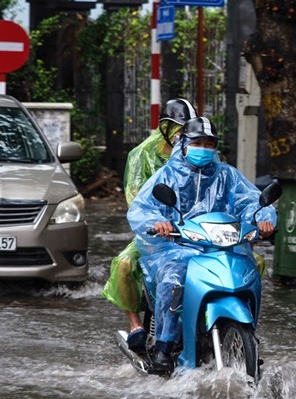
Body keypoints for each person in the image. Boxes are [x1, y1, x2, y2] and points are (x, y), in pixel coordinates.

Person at [127, 116, 277, 373]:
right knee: (175, 279)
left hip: (221, 244)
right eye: (198, 143)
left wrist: (263, 218)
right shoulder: (167, 175)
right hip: (177, 246)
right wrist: (159, 222)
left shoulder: (227, 175)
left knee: (248, 271)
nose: (204, 149)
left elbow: (250, 201)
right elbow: (142, 209)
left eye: (210, 144)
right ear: (183, 144)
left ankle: (246, 336)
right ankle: (164, 346)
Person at [101, 98, 197, 351]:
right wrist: (157, 222)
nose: (181, 134)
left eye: (185, 129)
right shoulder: (141, 154)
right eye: (177, 128)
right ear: (164, 127)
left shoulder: (197, 151)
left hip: (199, 232)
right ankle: (136, 325)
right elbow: (136, 200)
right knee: (124, 264)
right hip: (157, 233)